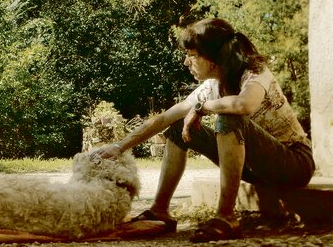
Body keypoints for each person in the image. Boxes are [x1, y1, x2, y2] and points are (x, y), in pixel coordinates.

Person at [91, 18, 315, 243]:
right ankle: (159, 210)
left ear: (213, 58)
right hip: (256, 168)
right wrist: (119, 146)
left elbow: (244, 104)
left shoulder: (254, 72)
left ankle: (226, 217)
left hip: (294, 163)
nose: (186, 62)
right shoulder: (213, 86)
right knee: (178, 126)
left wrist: (201, 108)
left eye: (192, 55)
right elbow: (164, 118)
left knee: (229, 117)